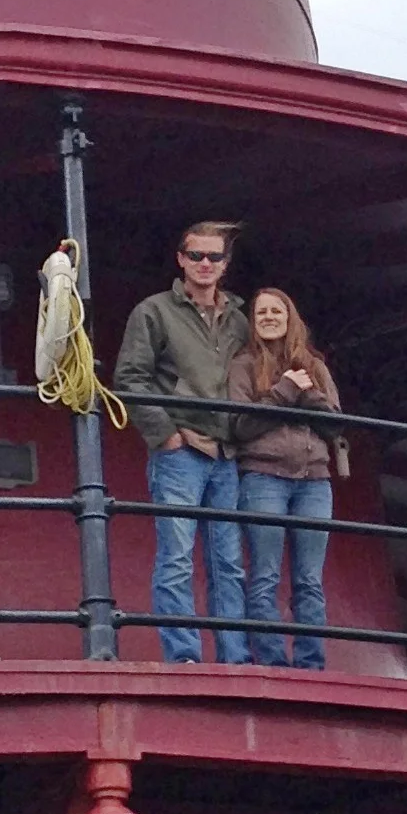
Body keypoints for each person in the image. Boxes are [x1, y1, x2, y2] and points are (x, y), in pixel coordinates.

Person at [113, 221, 250, 665]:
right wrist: (167, 435)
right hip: (180, 453)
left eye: (214, 257)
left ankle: (234, 657)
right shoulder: (153, 311)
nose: (205, 264)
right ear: (180, 259)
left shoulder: (240, 319)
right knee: (177, 557)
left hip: (227, 454)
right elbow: (129, 378)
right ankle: (184, 656)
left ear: (226, 264)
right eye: (197, 256)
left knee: (228, 563)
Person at [227, 288, 341, 671]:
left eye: (277, 310)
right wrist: (286, 391)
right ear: (252, 321)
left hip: (315, 481)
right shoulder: (242, 365)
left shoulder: (316, 366)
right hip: (263, 477)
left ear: (291, 318)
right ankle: (273, 663)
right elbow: (240, 425)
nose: (270, 317)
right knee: (265, 575)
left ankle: (311, 663)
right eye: (262, 312)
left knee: (310, 579)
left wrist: (310, 398)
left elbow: (338, 427)